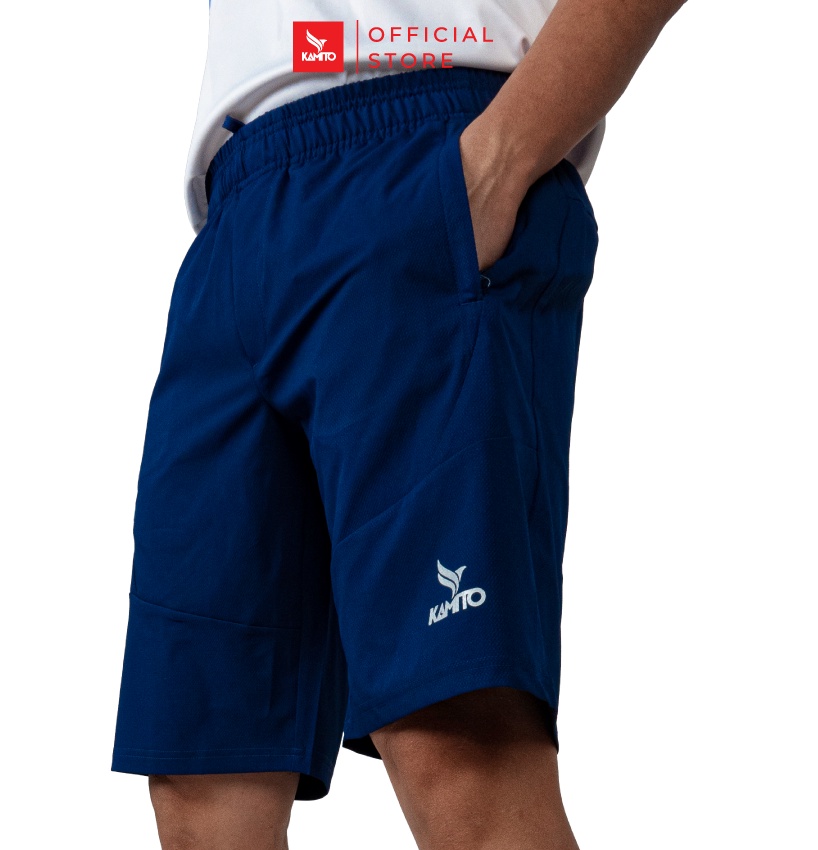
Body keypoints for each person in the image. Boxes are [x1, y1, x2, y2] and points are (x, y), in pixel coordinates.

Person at [111, 1, 687, 847]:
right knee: (204, 776)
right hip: (234, 206)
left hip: (424, 143)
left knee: (456, 738)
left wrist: (501, 157)